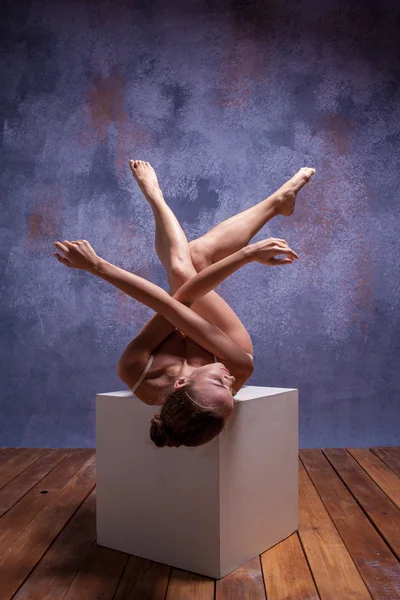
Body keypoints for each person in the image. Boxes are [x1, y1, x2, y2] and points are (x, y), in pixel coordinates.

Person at [53, 161, 315, 448]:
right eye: (232, 392)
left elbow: (174, 303)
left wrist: (97, 266)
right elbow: (182, 298)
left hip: (180, 313)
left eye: (220, 384)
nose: (230, 381)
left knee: (193, 259)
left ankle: (162, 196)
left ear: (179, 385)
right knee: (185, 268)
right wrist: (247, 254)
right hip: (229, 344)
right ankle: (273, 202)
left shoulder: (135, 370)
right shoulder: (237, 367)